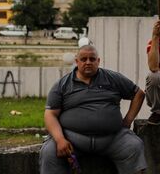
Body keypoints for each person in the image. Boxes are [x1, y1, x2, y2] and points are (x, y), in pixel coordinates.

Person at [40, 44, 147, 174]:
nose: (88, 62)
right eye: (84, 59)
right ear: (77, 61)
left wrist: (127, 121)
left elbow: (138, 94)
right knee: (49, 152)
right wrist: (60, 139)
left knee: (134, 146)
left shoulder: (112, 78)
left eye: (92, 59)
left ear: (98, 61)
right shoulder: (62, 84)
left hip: (113, 138)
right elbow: (50, 114)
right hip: (72, 140)